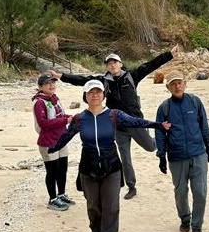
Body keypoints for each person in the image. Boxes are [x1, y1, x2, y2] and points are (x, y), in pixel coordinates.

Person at [48, 80, 170, 232]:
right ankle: (95, 229)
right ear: (85, 96)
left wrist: (157, 125)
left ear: (103, 95)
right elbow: (66, 136)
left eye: (98, 92)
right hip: (88, 166)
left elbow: (135, 122)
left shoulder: (114, 115)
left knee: (111, 205)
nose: (95, 95)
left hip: (111, 165)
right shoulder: (79, 119)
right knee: (93, 205)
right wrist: (52, 149)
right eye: (91, 92)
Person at [48, 45, 180, 200]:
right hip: (117, 125)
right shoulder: (103, 81)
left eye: (115, 62)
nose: (112, 65)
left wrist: (169, 55)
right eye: (109, 63)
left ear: (120, 64)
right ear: (107, 67)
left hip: (134, 122)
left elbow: (151, 65)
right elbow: (82, 80)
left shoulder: (132, 76)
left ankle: (158, 141)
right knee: (125, 158)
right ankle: (131, 186)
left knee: (150, 147)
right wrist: (61, 76)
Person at [155, 73, 209, 232]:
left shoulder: (195, 102)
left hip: (198, 154)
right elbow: (160, 133)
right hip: (177, 156)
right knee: (180, 191)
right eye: (173, 84)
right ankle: (185, 219)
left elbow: (203, 124)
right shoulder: (164, 108)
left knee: (200, 192)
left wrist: (208, 145)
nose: (177, 86)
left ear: (185, 84)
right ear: (168, 87)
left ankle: (197, 226)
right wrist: (161, 156)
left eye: (180, 83)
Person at [32, 74, 73, 211]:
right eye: (47, 83)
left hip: (61, 139)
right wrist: (65, 120)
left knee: (63, 169)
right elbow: (43, 123)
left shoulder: (54, 99)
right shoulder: (39, 102)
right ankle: (52, 199)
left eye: (53, 82)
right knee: (52, 172)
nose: (51, 85)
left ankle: (61, 194)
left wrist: (70, 118)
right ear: (40, 86)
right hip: (48, 141)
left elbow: (60, 115)